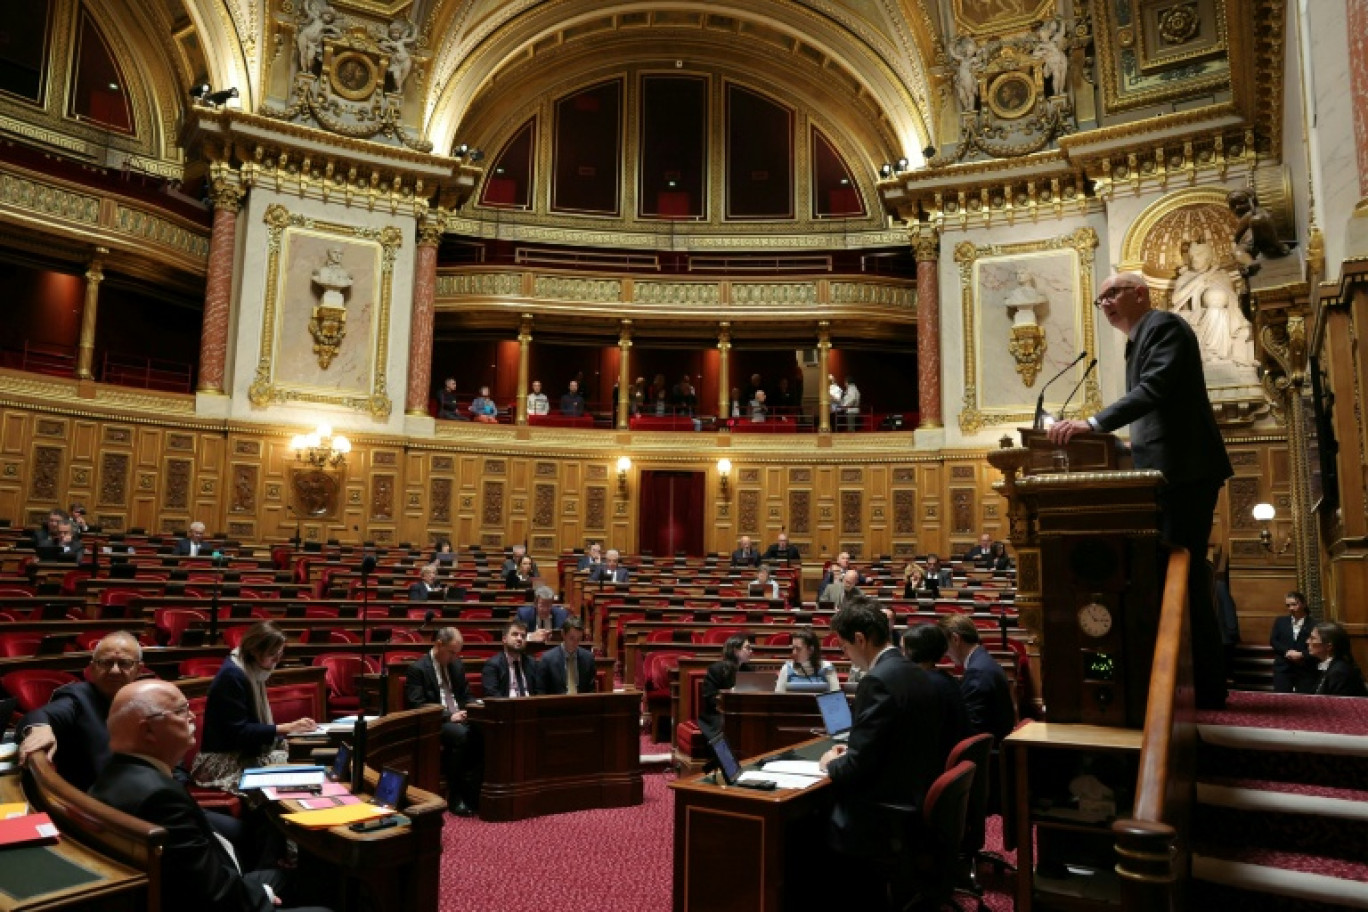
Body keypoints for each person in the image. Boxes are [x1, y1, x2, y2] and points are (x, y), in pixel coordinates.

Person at [1048, 271, 1234, 709]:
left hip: (1185, 473)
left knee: (1182, 575)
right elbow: (1157, 415)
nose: (1106, 303)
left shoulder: (1164, 326)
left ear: (1140, 293)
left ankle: (1205, 687)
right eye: (1101, 299)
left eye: (1112, 293)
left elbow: (1156, 390)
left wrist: (1093, 425)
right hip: (1167, 470)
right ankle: (1199, 685)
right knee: (1177, 577)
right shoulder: (1140, 339)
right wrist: (1124, 446)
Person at [89, 679, 332, 912]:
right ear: (149, 731)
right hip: (219, 897)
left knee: (291, 876)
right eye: (181, 710)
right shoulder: (160, 797)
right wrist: (263, 895)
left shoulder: (113, 775)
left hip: (215, 879)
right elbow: (215, 895)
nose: (192, 716)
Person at [819, 597, 945, 904]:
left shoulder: (877, 680)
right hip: (915, 789)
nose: (845, 654)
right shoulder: (914, 671)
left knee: (808, 818)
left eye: (844, 647)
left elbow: (855, 769)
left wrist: (829, 763)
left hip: (885, 806)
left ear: (860, 640)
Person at [192, 622, 317, 790]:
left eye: (280, 653)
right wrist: (285, 728)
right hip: (223, 760)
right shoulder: (232, 676)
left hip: (243, 752)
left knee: (305, 760)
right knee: (295, 779)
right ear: (254, 650)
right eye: (273, 654)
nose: (277, 660)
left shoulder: (250, 670)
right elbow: (238, 732)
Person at [17, 632, 143, 791]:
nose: (114, 671)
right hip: (93, 800)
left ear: (139, 669)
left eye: (124, 663)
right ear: (92, 668)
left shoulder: (146, 697)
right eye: (106, 663)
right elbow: (39, 715)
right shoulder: (78, 696)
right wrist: (40, 727)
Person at [404, 627, 477, 815]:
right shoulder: (418, 669)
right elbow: (417, 705)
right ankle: (455, 795)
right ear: (438, 645)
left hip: (460, 717)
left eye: (457, 653)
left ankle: (475, 791)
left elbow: (466, 695)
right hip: (435, 723)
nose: (455, 657)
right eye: (452, 652)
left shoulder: (456, 665)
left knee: (485, 730)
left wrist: (475, 708)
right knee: (463, 735)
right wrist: (448, 716)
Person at [901, 623, 970, 767]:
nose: (901, 655)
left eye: (903, 650)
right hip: (950, 761)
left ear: (914, 651)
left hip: (934, 767)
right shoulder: (946, 679)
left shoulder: (923, 685)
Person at [940, 614, 1015, 744]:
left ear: (955, 639)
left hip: (989, 754)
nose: (945, 653)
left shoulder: (977, 671)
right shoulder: (983, 661)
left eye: (945, 645)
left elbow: (971, 727)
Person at [698, 634, 754, 741]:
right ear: (736, 650)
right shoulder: (716, 669)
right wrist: (729, 694)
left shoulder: (748, 671)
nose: (751, 651)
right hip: (716, 715)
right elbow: (709, 698)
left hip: (741, 713)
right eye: (747, 648)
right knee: (728, 725)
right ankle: (726, 758)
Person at [1271, 591, 1316, 693]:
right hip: (1283, 667)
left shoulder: (1314, 624)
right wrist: (1287, 652)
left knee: (1305, 701)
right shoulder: (1280, 621)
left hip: (1305, 668)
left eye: (1294, 604)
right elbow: (1274, 641)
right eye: (1288, 605)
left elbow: (1318, 646)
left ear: (1304, 604)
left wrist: (1302, 654)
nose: (1291, 608)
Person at [1308, 621, 1368, 697]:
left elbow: (1337, 706)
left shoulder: (1339, 672)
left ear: (1329, 646)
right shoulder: (1331, 667)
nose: (1307, 641)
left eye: (1313, 638)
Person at [538, 617, 596, 695]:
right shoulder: (548, 659)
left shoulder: (588, 658)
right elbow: (541, 691)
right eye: (571, 638)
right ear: (563, 634)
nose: (575, 643)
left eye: (578, 639)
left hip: (581, 704)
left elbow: (591, 690)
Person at [481, 622, 538, 698]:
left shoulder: (532, 663)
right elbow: (492, 693)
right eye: (515, 634)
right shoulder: (492, 664)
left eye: (523, 636)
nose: (519, 639)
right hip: (506, 706)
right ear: (504, 639)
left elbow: (539, 690)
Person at [774, 629, 839, 693]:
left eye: (798, 649)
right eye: (793, 648)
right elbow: (778, 698)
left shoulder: (827, 668)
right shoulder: (786, 668)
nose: (794, 652)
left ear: (811, 650)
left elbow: (837, 700)